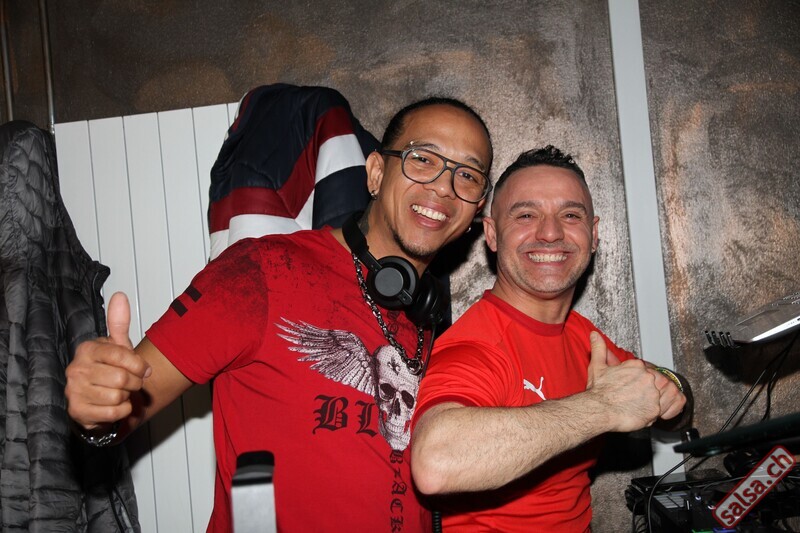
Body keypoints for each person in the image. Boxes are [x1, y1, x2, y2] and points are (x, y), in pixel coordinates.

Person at [64, 97, 494, 532]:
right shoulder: (262, 270)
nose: (444, 186)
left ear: (476, 210)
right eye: (423, 159)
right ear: (376, 173)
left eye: (468, 175)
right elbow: (122, 406)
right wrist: (96, 410)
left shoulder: (430, 322)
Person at [410, 145, 686, 531]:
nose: (551, 232)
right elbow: (436, 464)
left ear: (593, 234)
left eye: (570, 215)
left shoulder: (585, 337)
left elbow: (671, 397)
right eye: (526, 215)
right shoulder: (477, 346)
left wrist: (670, 388)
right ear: (492, 234)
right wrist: (601, 407)